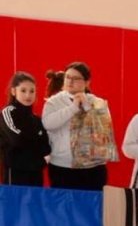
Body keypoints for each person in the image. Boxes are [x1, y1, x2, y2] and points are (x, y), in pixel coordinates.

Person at [42, 61, 117, 190]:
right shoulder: (54, 102)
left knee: (92, 207)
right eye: (68, 77)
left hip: (94, 167)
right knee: (64, 208)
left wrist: (87, 106)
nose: (70, 81)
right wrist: (73, 107)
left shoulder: (98, 102)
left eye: (76, 78)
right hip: (62, 166)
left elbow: (104, 131)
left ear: (87, 82)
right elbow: (48, 124)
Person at [0, 71, 50, 186]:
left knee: (35, 203)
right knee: (14, 204)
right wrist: (36, 140)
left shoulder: (36, 119)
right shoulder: (7, 112)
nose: (28, 95)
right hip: (15, 174)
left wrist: (40, 160)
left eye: (32, 91)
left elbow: (45, 147)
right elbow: (16, 140)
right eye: (23, 91)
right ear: (13, 91)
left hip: (36, 174)